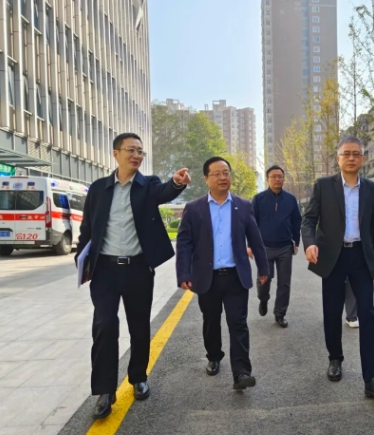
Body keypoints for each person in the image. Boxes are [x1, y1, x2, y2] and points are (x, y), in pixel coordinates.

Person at [75, 132, 191, 419]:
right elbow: (88, 228)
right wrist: (81, 259)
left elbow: (165, 192)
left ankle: (138, 376)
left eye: (140, 151)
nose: (137, 155)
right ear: (116, 153)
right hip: (105, 271)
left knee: (139, 326)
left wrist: (177, 182)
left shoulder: (147, 185)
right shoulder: (99, 189)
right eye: (131, 150)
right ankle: (105, 391)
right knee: (104, 325)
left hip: (138, 268)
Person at [302, 135, 374, 398]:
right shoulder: (323, 186)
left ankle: (372, 377)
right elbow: (309, 220)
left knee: (368, 313)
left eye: (356, 154)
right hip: (333, 256)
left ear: (362, 158)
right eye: (346, 154)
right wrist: (310, 244)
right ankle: (335, 358)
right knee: (332, 311)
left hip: (360, 257)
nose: (351, 158)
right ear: (338, 158)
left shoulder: (371, 189)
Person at [176, 156, 269, 390]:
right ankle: (214, 355)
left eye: (226, 172)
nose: (222, 177)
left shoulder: (243, 206)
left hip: (235, 276)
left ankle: (242, 372)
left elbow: (255, 239)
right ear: (206, 179)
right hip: (207, 277)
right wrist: (183, 273)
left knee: (238, 323)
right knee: (211, 321)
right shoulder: (194, 209)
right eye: (216, 174)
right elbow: (184, 243)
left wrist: (263, 268)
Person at [249, 165, 301, 328]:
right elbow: (251, 224)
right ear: (267, 179)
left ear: (284, 179)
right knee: (264, 280)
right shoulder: (258, 199)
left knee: (284, 283)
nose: (278, 179)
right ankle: (263, 299)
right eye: (274, 176)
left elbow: (296, 221)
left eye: (280, 176)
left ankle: (280, 314)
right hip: (264, 247)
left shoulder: (291, 199)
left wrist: (296, 241)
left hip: (285, 247)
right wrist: (250, 245)